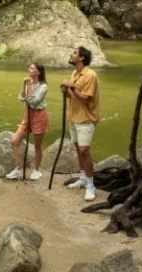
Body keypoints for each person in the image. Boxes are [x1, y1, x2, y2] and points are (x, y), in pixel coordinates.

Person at [61, 46, 100, 201]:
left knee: (84, 150)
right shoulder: (74, 73)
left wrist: (71, 86)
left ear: (82, 58)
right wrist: (66, 91)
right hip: (74, 117)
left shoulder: (91, 75)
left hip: (86, 118)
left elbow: (86, 98)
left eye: (75, 53)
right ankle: (83, 178)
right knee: (78, 149)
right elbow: (74, 96)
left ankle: (91, 185)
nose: (72, 54)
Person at [6, 63, 50, 181]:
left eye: (31, 68)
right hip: (28, 114)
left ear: (38, 72)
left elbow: (34, 101)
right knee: (15, 140)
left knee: (37, 145)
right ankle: (18, 169)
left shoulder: (43, 86)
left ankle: (37, 170)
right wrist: (24, 84)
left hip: (39, 115)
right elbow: (21, 98)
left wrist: (29, 87)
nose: (28, 70)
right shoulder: (28, 83)